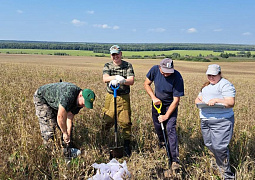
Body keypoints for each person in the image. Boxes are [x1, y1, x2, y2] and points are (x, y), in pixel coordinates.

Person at [195, 64, 236, 179]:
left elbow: (230, 102)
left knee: (219, 147)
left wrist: (216, 100)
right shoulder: (206, 87)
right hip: (205, 119)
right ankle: (219, 163)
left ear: (219, 74)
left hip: (222, 121)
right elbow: (197, 99)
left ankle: (227, 175)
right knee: (209, 144)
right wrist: (200, 101)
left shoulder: (225, 85)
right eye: (209, 75)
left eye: (214, 75)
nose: (211, 77)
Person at [33, 82, 95, 157]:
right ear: (80, 95)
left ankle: (67, 149)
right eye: (84, 103)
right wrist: (64, 133)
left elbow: (69, 116)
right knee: (49, 129)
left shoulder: (79, 102)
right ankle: (49, 154)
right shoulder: (69, 95)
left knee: (68, 130)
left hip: (57, 102)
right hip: (42, 98)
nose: (84, 106)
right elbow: (60, 117)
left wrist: (68, 132)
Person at [144, 58, 184, 171]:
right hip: (157, 103)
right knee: (158, 127)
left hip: (170, 105)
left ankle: (175, 160)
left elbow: (176, 100)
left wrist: (166, 116)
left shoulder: (177, 77)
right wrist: (153, 97)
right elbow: (146, 84)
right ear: (160, 67)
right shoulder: (154, 70)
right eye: (164, 71)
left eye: (169, 71)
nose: (166, 74)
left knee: (170, 129)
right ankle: (162, 143)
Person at [102, 45, 135, 157]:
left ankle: (126, 145)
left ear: (121, 54)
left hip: (124, 97)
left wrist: (122, 81)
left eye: (117, 54)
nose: (115, 56)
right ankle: (104, 143)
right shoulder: (108, 65)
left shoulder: (127, 65)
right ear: (111, 55)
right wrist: (115, 77)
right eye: (113, 54)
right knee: (107, 120)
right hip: (111, 96)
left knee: (125, 122)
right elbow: (105, 78)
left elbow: (131, 81)